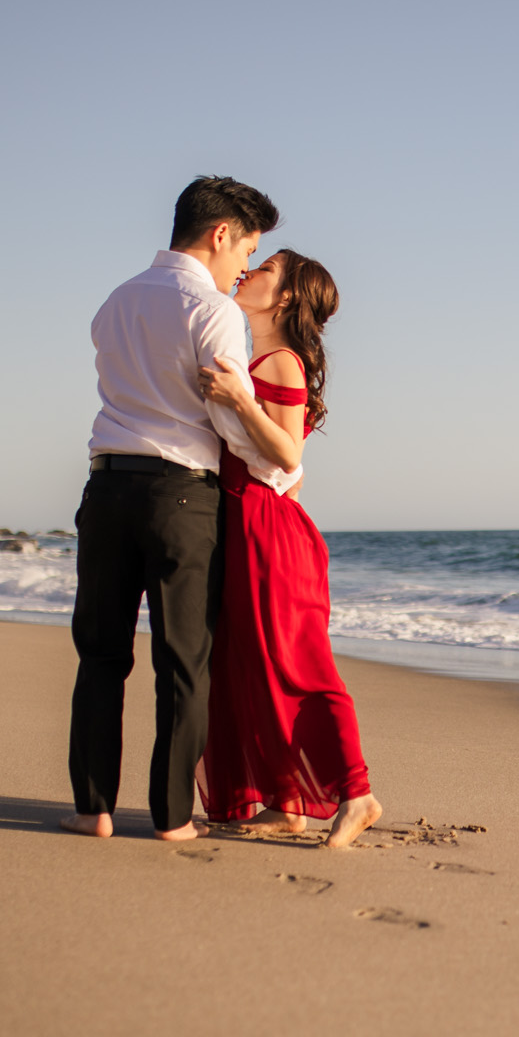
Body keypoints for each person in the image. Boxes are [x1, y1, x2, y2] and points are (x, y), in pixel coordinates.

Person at [63, 176, 295, 841]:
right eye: (246, 248)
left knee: (100, 654)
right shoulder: (213, 309)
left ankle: (92, 808)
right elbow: (226, 422)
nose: (244, 265)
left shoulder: (115, 301)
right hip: (181, 495)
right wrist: (284, 464)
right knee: (182, 660)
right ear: (220, 234)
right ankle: (170, 817)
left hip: (105, 487)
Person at [194, 250, 383, 848]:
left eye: (267, 269)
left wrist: (240, 399)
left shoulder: (281, 363)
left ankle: (358, 794)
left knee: (299, 666)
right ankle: (286, 802)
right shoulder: (256, 357)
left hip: (269, 532)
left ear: (286, 299)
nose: (250, 273)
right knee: (249, 668)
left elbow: (288, 456)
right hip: (245, 520)